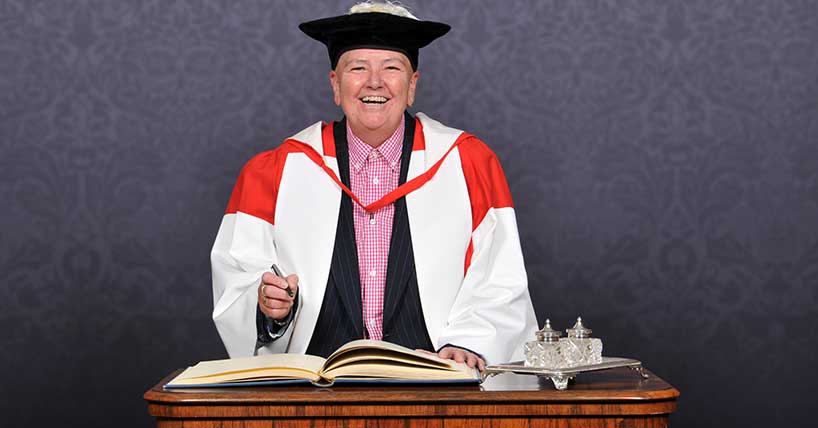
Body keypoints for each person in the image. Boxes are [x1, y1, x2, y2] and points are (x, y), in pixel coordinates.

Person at [211, 1, 537, 371]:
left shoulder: (468, 163)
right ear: (335, 84)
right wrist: (269, 309)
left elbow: (500, 278)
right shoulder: (274, 172)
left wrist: (468, 342)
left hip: (435, 385)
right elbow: (237, 281)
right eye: (357, 68)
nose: (374, 82)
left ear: (412, 85)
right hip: (316, 390)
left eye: (392, 68)